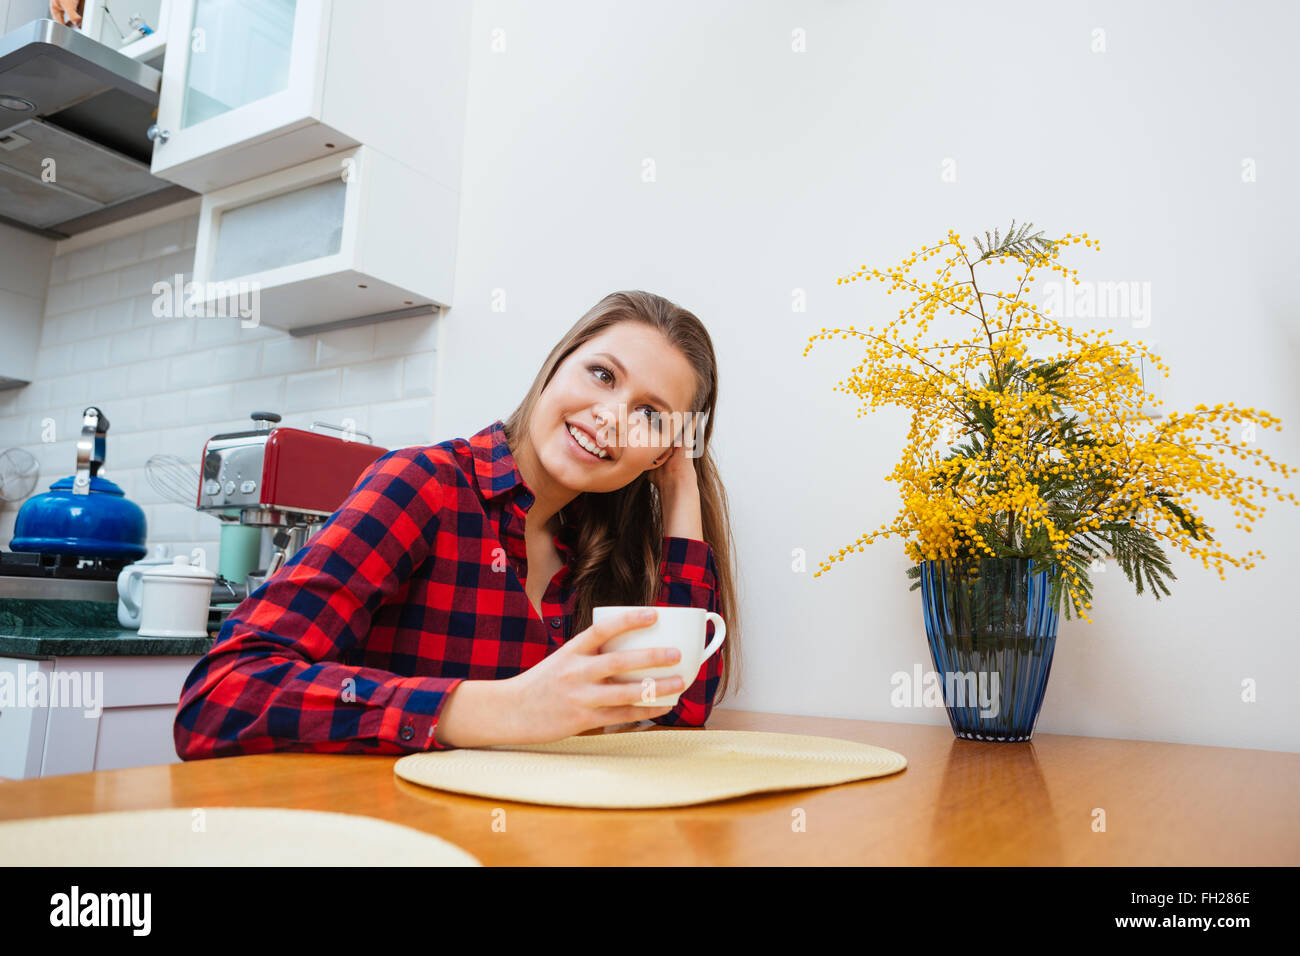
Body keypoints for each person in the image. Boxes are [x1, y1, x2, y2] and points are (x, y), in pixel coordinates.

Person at [174, 290, 741, 757]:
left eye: (649, 415)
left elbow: (680, 705)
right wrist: (497, 709)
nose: (611, 418)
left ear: (663, 452)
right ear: (556, 367)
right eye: (600, 374)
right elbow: (220, 697)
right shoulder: (425, 484)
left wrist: (681, 486)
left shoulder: (593, 549)